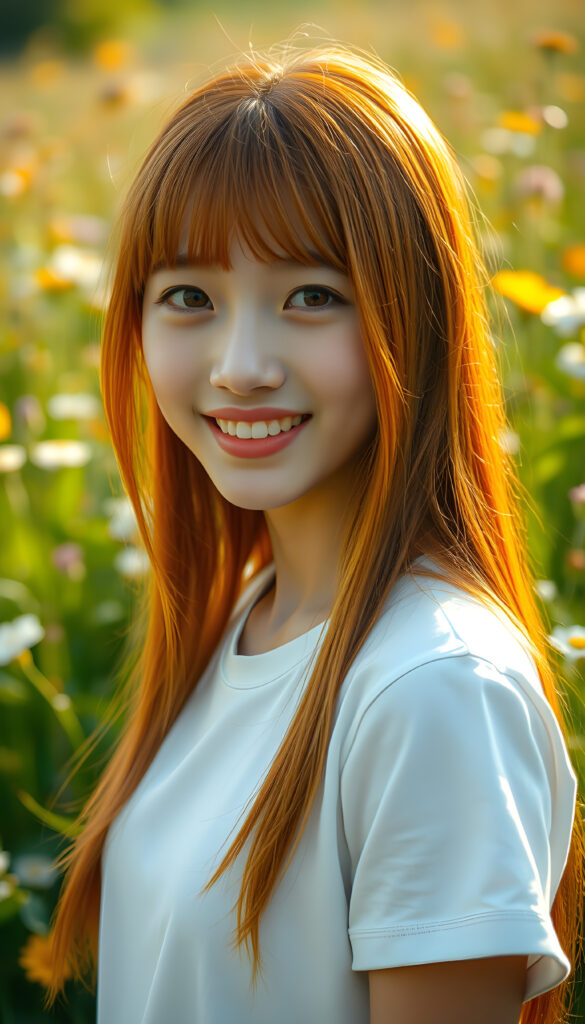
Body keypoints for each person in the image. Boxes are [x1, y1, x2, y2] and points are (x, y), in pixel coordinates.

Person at [47, 43, 582, 1024]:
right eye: (189, 297)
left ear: (413, 314)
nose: (241, 365)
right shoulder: (246, 617)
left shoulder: (433, 686)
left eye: (311, 296)